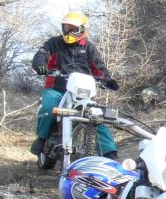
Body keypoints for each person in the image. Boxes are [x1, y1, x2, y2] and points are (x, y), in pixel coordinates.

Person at [30, 12, 120, 161]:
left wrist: (107, 80)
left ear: (82, 29)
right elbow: (42, 54)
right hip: (56, 88)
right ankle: (41, 138)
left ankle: (110, 154)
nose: (68, 32)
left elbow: (99, 67)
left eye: (73, 29)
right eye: (66, 28)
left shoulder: (89, 48)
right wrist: (40, 65)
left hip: (81, 92)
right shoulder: (54, 43)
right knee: (49, 108)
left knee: (97, 116)